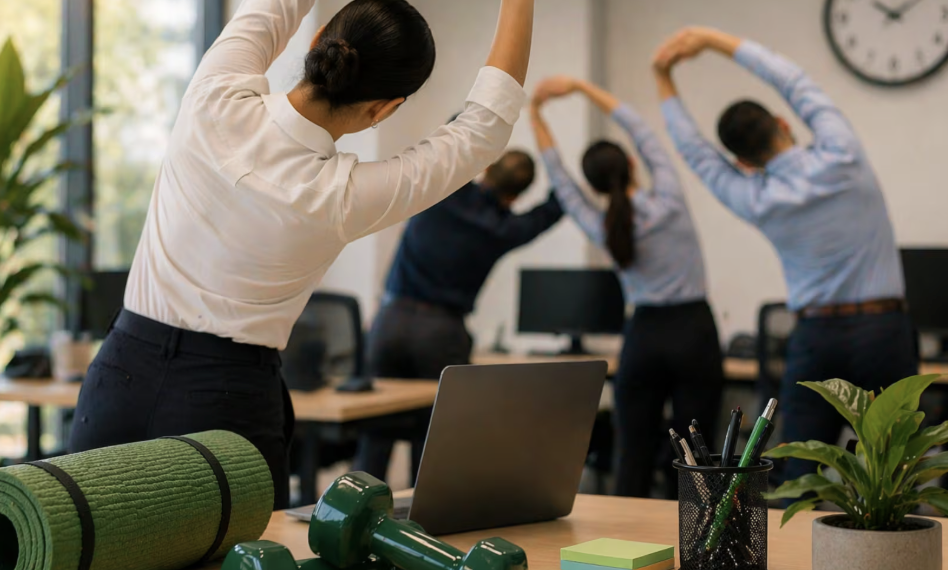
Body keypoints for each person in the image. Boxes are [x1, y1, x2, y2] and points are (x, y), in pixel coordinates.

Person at [68, 0, 536, 510]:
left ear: (316, 46)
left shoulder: (213, 96)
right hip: (226, 401)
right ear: (384, 108)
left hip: (119, 376)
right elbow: (483, 129)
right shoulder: (340, 196)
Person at [653, 27, 918, 485]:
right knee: (894, 476)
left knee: (798, 478)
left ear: (743, 163)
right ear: (782, 123)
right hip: (884, 333)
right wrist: (715, 41)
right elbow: (794, 81)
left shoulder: (754, 197)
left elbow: (695, 153)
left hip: (814, 339)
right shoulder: (843, 155)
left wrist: (662, 76)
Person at [530, 76, 724, 499]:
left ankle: (624, 553)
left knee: (631, 452)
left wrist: (535, 112)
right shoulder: (670, 202)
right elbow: (642, 130)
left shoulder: (603, 226)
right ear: (633, 166)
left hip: (644, 337)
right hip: (694, 330)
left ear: (596, 187)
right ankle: (697, 547)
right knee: (699, 454)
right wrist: (584, 88)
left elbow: (559, 180)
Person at [353, 149, 563, 483]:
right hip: (442, 331)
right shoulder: (505, 228)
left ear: (487, 168)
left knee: (376, 429)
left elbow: (456, 134)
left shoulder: (443, 189)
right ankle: (420, 526)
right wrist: (549, 143)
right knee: (433, 436)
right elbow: (556, 206)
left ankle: (354, 510)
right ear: (515, 196)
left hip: (390, 320)